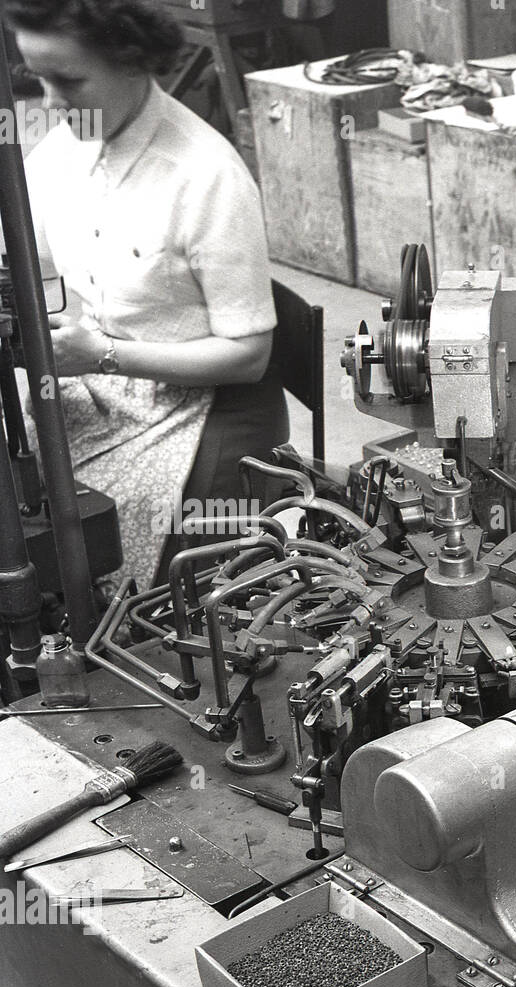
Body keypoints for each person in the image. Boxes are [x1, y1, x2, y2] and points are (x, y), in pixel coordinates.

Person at [7, 0, 284, 587]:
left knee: (95, 528)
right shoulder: (64, 146)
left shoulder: (206, 176)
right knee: (18, 485)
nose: (50, 102)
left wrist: (101, 354)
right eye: (37, 78)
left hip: (196, 396)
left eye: (68, 80)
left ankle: (95, 638)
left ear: (132, 61)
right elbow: (21, 255)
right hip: (105, 375)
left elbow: (249, 355)